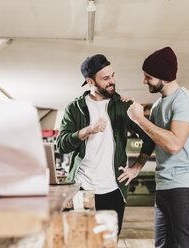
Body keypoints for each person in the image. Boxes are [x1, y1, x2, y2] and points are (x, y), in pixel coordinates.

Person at [56, 54, 154, 235]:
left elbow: (149, 137)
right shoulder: (75, 108)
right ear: (90, 81)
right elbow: (61, 145)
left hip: (113, 189)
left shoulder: (124, 107)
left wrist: (137, 167)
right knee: (79, 243)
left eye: (113, 75)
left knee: (108, 243)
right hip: (81, 187)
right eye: (106, 78)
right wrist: (87, 130)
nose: (112, 81)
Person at [119, 47, 189, 247]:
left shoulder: (186, 102)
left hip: (184, 185)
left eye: (148, 77)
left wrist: (140, 119)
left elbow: (174, 144)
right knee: (163, 245)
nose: (144, 81)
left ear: (164, 77)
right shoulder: (158, 105)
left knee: (186, 244)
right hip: (164, 185)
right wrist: (136, 167)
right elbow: (151, 140)